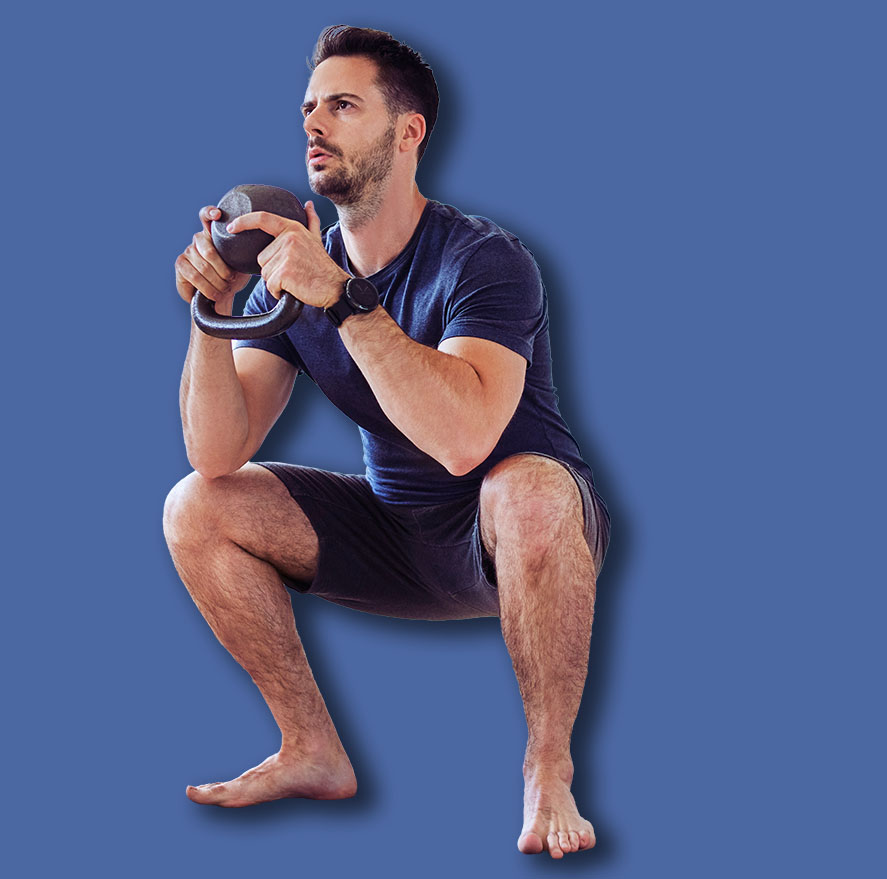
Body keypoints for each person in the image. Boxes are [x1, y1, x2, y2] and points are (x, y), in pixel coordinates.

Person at [164, 25, 608, 859]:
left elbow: (466, 440)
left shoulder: (485, 260)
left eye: (343, 105)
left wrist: (343, 299)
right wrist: (213, 315)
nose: (313, 125)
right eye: (308, 108)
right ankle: (312, 749)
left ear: (409, 133)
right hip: (393, 535)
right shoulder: (295, 270)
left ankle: (549, 765)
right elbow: (215, 453)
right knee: (195, 505)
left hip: (510, 536)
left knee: (530, 489)